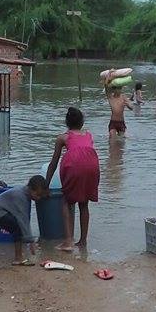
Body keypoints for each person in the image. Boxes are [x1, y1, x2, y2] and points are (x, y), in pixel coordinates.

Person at [45, 106, 100, 251]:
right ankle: (83, 241)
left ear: (66, 123)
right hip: (92, 165)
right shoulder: (88, 135)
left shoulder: (63, 137)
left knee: (66, 201)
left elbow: (53, 163)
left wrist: (46, 184)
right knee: (84, 203)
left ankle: (68, 241)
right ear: (82, 122)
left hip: (74, 165)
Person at [0, 175, 49, 265]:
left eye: (41, 196)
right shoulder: (21, 197)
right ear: (30, 189)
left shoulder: (23, 191)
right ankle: (18, 258)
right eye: (38, 195)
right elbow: (23, 220)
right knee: (17, 227)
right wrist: (31, 241)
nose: (39, 198)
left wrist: (29, 239)